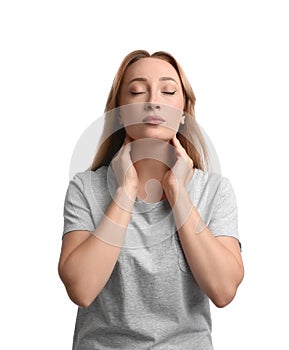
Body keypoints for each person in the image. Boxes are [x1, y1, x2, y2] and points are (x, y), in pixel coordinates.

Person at [58, 50, 244, 349]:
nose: (152, 100)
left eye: (168, 90)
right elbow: (81, 289)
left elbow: (223, 291)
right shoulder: (86, 188)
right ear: (119, 113)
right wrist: (126, 190)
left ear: (183, 113)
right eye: (136, 91)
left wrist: (177, 192)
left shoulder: (215, 191)